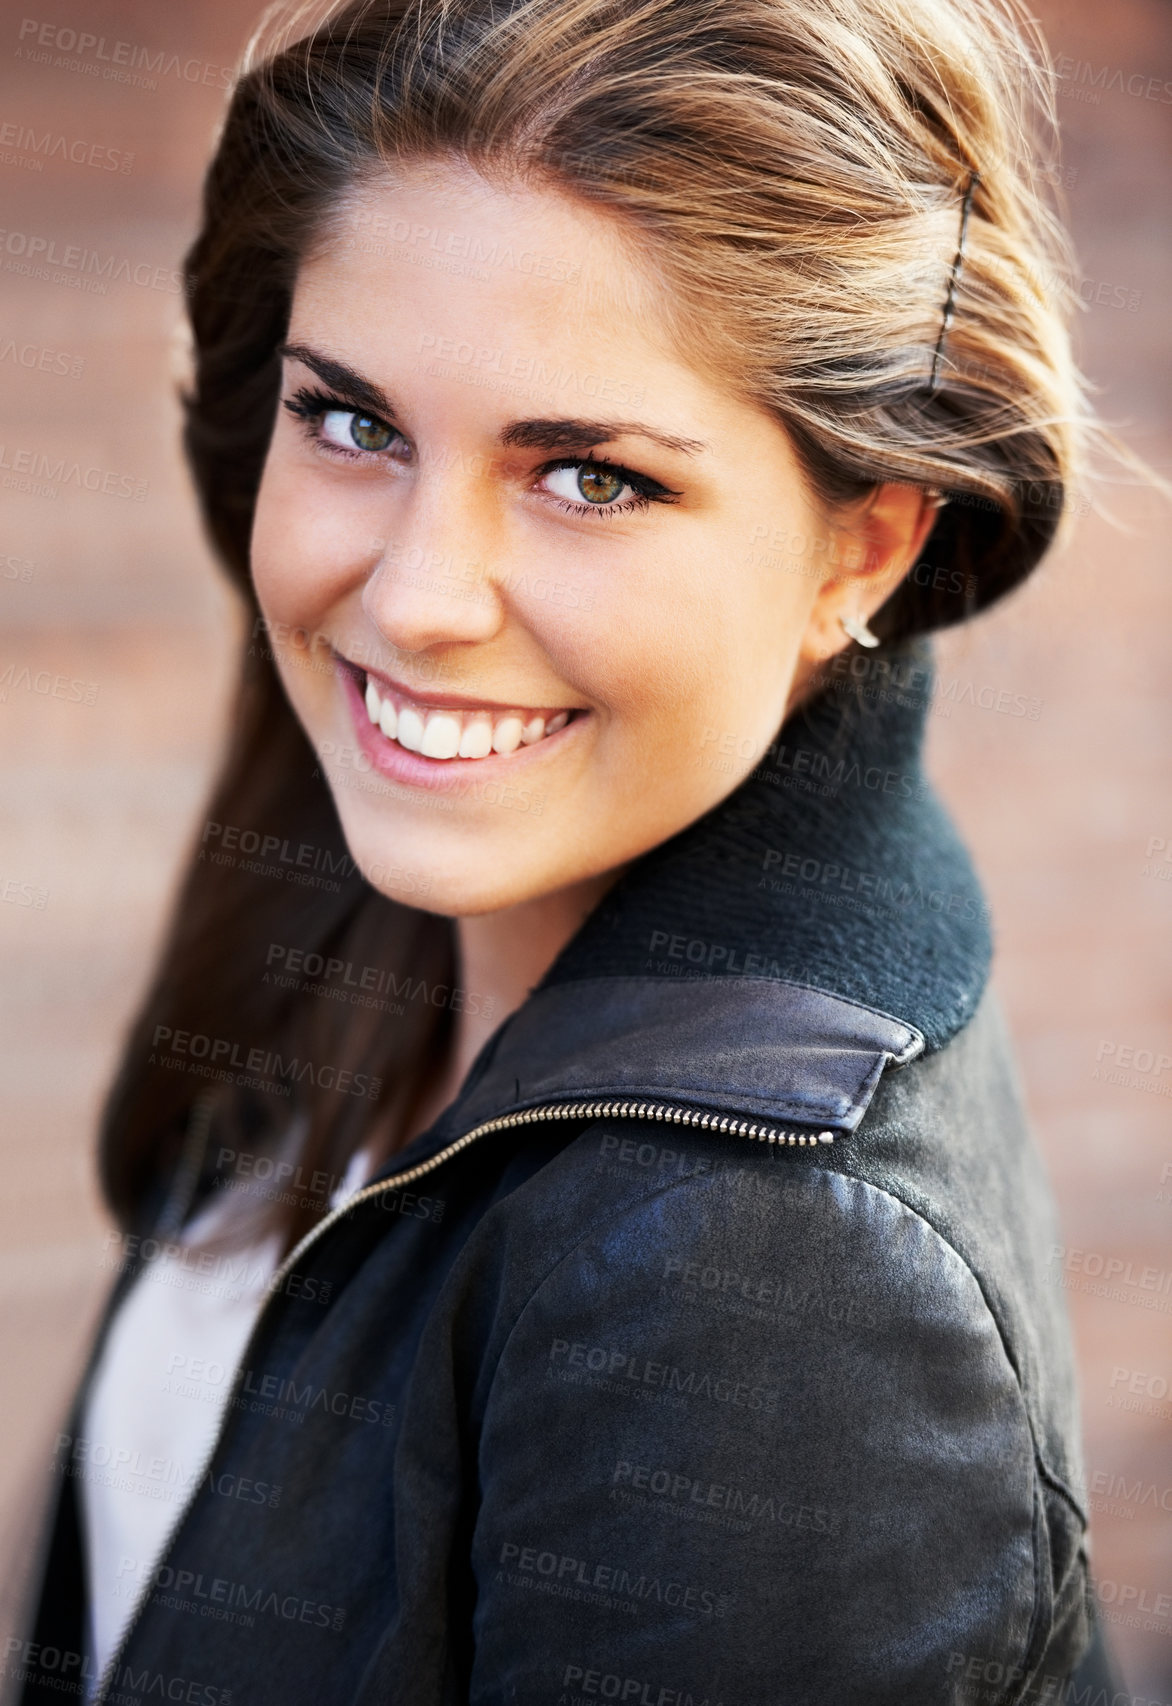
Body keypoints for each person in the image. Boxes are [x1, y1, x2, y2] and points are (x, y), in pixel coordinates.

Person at [11, 0, 1130, 1699]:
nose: (411, 597)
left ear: (866, 546)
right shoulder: (392, 862)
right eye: (357, 423)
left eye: (592, 478)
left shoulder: (768, 1287)